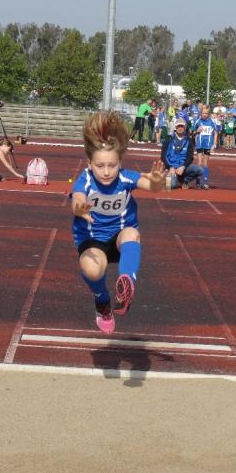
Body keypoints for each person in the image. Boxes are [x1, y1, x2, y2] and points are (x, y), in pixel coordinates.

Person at [71, 111, 164, 333]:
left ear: (120, 162)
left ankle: (126, 283)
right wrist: (80, 208)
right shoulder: (85, 181)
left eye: (112, 165)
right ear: (89, 163)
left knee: (132, 233)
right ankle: (102, 300)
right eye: (100, 165)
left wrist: (158, 182)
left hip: (120, 236)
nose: (106, 172)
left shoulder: (125, 177)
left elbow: (152, 187)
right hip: (93, 239)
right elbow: (77, 199)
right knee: (92, 270)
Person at [161, 119, 204, 188]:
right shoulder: (169, 139)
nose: (180, 128)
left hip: (182, 167)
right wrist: (170, 167)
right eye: (178, 126)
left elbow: (190, 157)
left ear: (185, 128)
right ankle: (166, 178)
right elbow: (163, 156)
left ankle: (183, 181)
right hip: (170, 167)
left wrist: (183, 166)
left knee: (200, 170)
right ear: (175, 127)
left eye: (182, 126)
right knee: (171, 185)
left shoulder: (188, 140)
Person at [193, 105, 217, 189]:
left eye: (206, 113)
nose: (204, 114)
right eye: (203, 113)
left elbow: (215, 133)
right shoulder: (197, 121)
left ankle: (205, 182)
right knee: (199, 162)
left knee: (205, 162)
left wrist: (214, 144)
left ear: (208, 114)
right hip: (199, 144)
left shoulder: (212, 121)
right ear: (201, 113)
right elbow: (193, 133)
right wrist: (197, 131)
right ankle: (198, 182)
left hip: (208, 145)